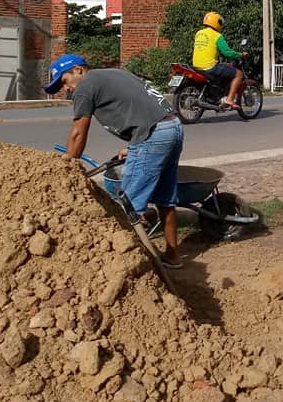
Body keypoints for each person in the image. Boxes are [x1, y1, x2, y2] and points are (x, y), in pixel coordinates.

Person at [45, 54, 184, 268]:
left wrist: (68, 166)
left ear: (78, 70)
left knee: (127, 206)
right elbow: (142, 105)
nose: (67, 89)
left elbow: (78, 134)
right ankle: (173, 257)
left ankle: (132, 267)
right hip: (172, 127)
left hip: (154, 135)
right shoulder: (115, 73)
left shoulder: (85, 86)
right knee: (165, 199)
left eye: (64, 81)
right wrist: (136, 145)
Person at [193, 11, 243, 109]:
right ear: (217, 22)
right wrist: (239, 55)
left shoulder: (198, 33)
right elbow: (227, 52)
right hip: (210, 66)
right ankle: (230, 99)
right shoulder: (217, 36)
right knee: (239, 74)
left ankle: (216, 95)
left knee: (223, 68)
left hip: (196, 66)